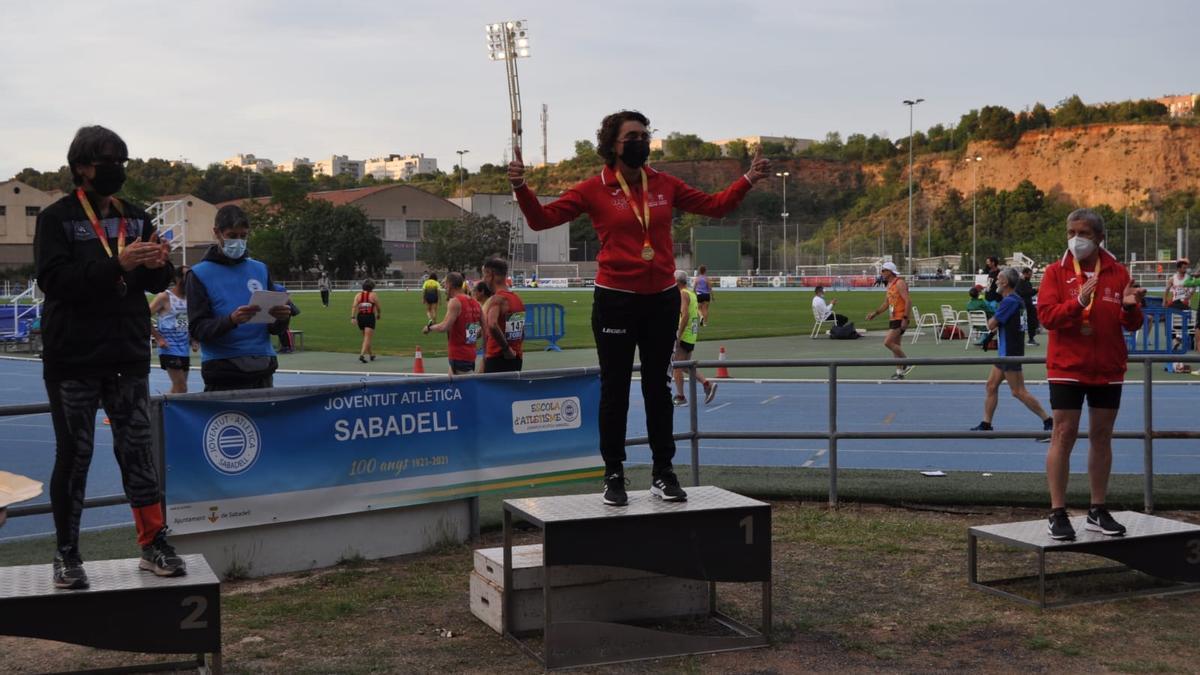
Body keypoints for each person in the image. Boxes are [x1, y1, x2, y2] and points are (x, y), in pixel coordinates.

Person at [508, 109, 770, 506]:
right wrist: (522, 187)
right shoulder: (591, 189)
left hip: (661, 298)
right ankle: (613, 474)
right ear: (612, 145)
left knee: (657, 389)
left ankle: (663, 473)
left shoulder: (664, 183)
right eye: (632, 136)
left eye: (645, 135)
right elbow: (542, 220)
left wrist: (748, 179)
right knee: (614, 391)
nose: (641, 142)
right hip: (615, 299)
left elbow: (715, 206)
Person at [34, 125, 184, 588]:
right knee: (75, 455)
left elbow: (160, 281)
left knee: (138, 452)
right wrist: (116, 265)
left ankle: (153, 543)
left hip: (127, 354)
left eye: (123, 160)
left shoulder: (136, 217)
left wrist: (160, 265)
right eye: (107, 160)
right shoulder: (56, 219)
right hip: (73, 357)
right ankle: (66, 553)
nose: (117, 168)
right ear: (81, 165)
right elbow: (54, 280)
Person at [1037, 208, 1145, 540]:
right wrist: (1077, 303)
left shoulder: (1117, 272)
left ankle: (1097, 509)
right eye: (1071, 232)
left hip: (1108, 368)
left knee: (1101, 437)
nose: (1075, 239)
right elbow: (1047, 317)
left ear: (1099, 237)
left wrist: (1129, 307)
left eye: (1083, 233)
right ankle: (1058, 512)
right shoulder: (1056, 272)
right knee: (1063, 434)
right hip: (1067, 367)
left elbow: (1133, 324)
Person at [188, 205, 293, 392]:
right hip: (223, 370)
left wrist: (282, 318)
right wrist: (231, 320)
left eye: (243, 236)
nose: (238, 241)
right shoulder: (198, 274)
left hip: (263, 367)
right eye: (232, 235)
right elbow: (197, 330)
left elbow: (275, 329)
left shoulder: (260, 269)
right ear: (217, 233)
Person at [970, 267, 1054, 435]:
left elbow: (991, 324)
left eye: (999, 279)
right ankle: (986, 423)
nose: (996, 282)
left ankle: (1048, 420)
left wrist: (991, 319)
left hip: (1010, 352)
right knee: (991, 385)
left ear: (1006, 282)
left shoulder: (1009, 301)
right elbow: (1006, 324)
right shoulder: (1015, 300)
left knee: (1018, 391)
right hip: (1006, 351)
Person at [671, 270, 717, 406]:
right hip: (692, 334)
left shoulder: (683, 294)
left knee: (677, 367)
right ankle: (707, 384)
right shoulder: (691, 293)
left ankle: (680, 397)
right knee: (686, 366)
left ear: (677, 282)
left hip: (685, 334)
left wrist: (678, 335)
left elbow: (685, 315)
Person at [423, 271, 482, 375]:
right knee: (453, 387)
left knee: (466, 389)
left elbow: (444, 326)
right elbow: (484, 328)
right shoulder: (475, 303)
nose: (444, 287)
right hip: (470, 355)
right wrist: (469, 337)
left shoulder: (455, 302)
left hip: (459, 356)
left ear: (450, 285)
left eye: (445, 284)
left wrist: (429, 328)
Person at [149, 265, 196, 394]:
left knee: (180, 389)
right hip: (169, 347)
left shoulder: (190, 299)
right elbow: (143, 317)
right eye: (186, 276)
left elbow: (187, 321)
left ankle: (164, 410)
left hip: (184, 348)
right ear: (177, 278)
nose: (190, 280)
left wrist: (193, 339)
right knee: (181, 387)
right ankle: (162, 411)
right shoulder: (164, 297)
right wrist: (158, 338)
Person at [866, 262, 913, 380]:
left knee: (888, 342)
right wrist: (875, 313)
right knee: (895, 345)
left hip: (900, 317)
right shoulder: (889, 284)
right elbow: (886, 303)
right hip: (893, 317)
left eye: (883, 270)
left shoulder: (900, 283)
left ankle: (908, 362)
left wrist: (905, 318)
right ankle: (899, 372)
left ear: (890, 271)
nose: (881, 273)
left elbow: (908, 301)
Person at [481, 257, 525, 373]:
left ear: (491, 274)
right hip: (516, 358)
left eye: (484, 275)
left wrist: (506, 348)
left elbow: (492, 324)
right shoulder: (517, 299)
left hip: (497, 358)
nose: (483, 279)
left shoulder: (497, 299)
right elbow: (522, 332)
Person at [352, 279, 381, 363]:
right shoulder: (373, 295)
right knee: (367, 338)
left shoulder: (358, 295)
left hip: (360, 317)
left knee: (365, 337)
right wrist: (379, 314)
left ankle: (371, 355)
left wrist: (352, 317)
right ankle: (362, 355)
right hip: (369, 317)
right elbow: (378, 307)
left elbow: (354, 306)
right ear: (372, 286)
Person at [472, 280, 494, 372]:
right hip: (491, 346)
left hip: (491, 347)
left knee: (481, 374)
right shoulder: (487, 304)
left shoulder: (487, 306)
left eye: (475, 291)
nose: (473, 293)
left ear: (482, 292)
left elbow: (485, 328)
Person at [1016, 267, 1040, 346]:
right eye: (1029, 274)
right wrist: (1035, 290)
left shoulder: (1027, 282)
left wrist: (1035, 290)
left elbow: (1028, 293)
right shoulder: (1019, 282)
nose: (1030, 276)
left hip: (1029, 305)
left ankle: (1031, 338)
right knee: (1022, 324)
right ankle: (1020, 340)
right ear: (1025, 274)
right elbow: (1023, 293)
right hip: (1023, 306)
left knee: (1032, 321)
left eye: (1031, 274)